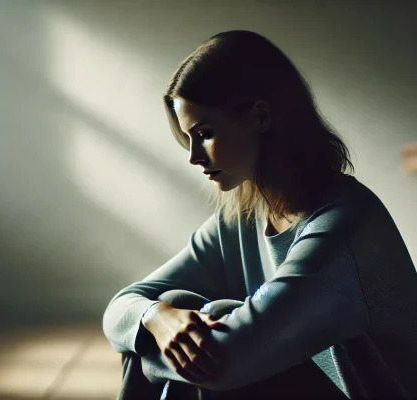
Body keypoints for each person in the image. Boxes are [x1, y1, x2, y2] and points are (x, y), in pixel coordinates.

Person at [102, 30, 417, 399]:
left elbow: (225, 362)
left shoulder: (343, 226)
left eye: (204, 133)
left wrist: (146, 348)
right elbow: (123, 305)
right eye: (187, 138)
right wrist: (155, 319)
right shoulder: (242, 218)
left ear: (261, 117)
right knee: (179, 312)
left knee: (202, 337)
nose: (193, 157)